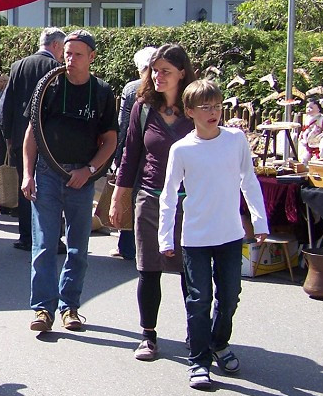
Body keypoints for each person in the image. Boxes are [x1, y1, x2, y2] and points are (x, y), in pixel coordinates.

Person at [158, 79, 268, 390]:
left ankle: (220, 343)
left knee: (230, 296)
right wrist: (165, 238)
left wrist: (259, 222)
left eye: (217, 105)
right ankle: (199, 360)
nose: (213, 112)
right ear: (189, 111)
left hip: (230, 234)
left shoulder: (235, 140)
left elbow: (249, 181)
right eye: (205, 107)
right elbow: (168, 195)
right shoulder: (181, 149)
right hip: (195, 238)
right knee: (199, 299)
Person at [23, 30, 117, 333]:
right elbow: (32, 133)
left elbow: (110, 141)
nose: (70, 59)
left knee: (78, 248)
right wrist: (28, 174)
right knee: (45, 244)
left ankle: (70, 307)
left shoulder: (102, 92)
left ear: (91, 57)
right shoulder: (48, 86)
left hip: (81, 176)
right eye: (66, 53)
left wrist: (89, 170)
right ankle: (42, 308)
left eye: (77, 54)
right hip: (49, 174)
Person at [110, 44, 196, 361]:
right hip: (151, 198)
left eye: (166, 71)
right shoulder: (143, 107)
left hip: (190, 203)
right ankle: (148, 336)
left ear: (182, 74)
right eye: (155, 70)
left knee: (192, 272)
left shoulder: (197, 108)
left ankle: (195, 332)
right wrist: (120, 196)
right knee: (148, 270)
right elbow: (131, 154)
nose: (158, 76)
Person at [0, 28, 65, 251]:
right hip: (49, 140)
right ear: (56, 45)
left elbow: (7, 104)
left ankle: (26, 235)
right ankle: (51, 237)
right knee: (50, 188)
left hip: (19, 136)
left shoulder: (19, 66)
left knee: (25, 185)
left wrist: (8, 135)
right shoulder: (56, 68)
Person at [111, 46, 158, 262]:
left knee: (131, 197)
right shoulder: (167, 87)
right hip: (156, 153)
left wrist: (118, 155)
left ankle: (128, 246)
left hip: (135, 151)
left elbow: (123, 125)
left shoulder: (132, 89)